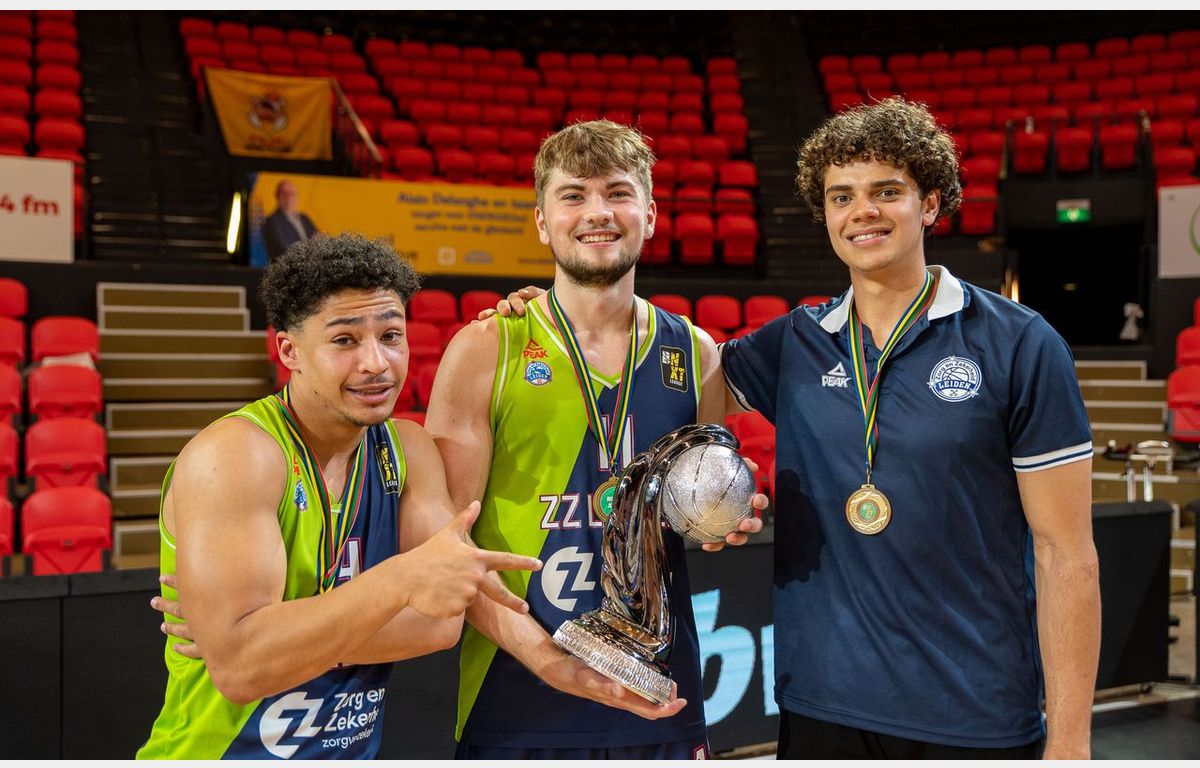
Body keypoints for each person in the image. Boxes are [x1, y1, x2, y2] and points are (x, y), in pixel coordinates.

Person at [720, 97, 1101, 759]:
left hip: (972, 713)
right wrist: (556, 311)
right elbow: (665, 373)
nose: (862, 211)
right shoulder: (796, 342)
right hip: (821, 707)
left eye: (886, 191)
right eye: (841, 197)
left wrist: (1070, 742)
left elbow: (1065, 555)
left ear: (930, 203)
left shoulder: (1018, 343)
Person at [423, 119, 764, 760]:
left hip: (659, 693)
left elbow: (699, 505)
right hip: (515, 693)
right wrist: (548, 661)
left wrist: (723, 519)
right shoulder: (486, 349)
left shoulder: (695, 353)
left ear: (651, 215)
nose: (598, 213)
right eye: (573, 195)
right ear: (542, 221)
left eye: (618, 193)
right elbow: (445, 547)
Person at [137, 234, 541, 759]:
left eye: (391, 336)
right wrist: (399, 582)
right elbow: (242, 671)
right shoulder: (236, 455)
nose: (376, 363)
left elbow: (441, 621)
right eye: (345, 340)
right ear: (289, 351)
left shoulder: (407, 450)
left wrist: (277, 639)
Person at [263, 179, 319, 262]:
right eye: (285, 194)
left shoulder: (304, 218)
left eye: (292, 194)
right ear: (277, 196)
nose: (289, 197)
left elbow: (319, 239)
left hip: (311, 262)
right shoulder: (272, 221)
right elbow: (285, 249)